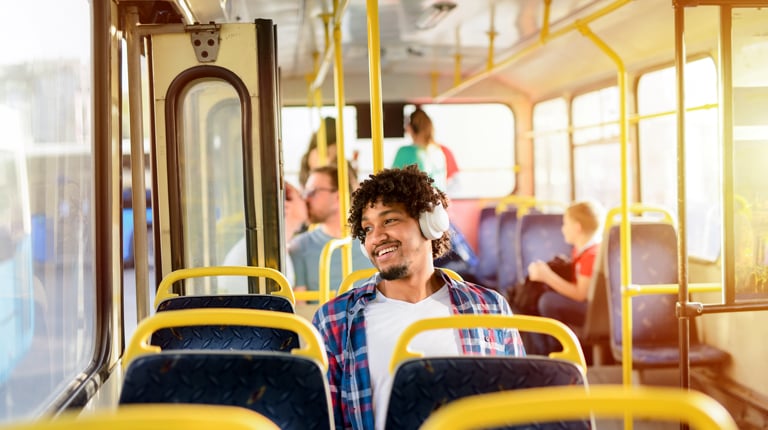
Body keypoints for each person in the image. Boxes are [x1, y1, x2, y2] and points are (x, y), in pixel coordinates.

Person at [312, 165, 525, 430]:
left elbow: (515, 412)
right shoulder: (335, 320)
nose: (376, 237)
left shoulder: (489, 308)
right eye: (367, 229)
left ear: (429, 223)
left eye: (389, 220)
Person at [288, 165, 372, 296]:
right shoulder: (299, 247)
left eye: (312, 192)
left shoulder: (372, 240)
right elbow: (301, 307)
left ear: (338, 196)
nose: (306, 199)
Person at [527, 200, 603, 328]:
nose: (563, 229)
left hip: (593, 312)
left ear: (577, 227)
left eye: (565, 224)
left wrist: (547, 276)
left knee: (548, 302)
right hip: (587, 305)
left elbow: (580, 295)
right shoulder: (579, 251)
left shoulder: (592, 255)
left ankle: (556, 345)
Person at [392, 108, 448, 191]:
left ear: (409, 128)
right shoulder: (438, 151)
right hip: (438, 201)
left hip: (416, 202)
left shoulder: (404, 152)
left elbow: (392, 181)